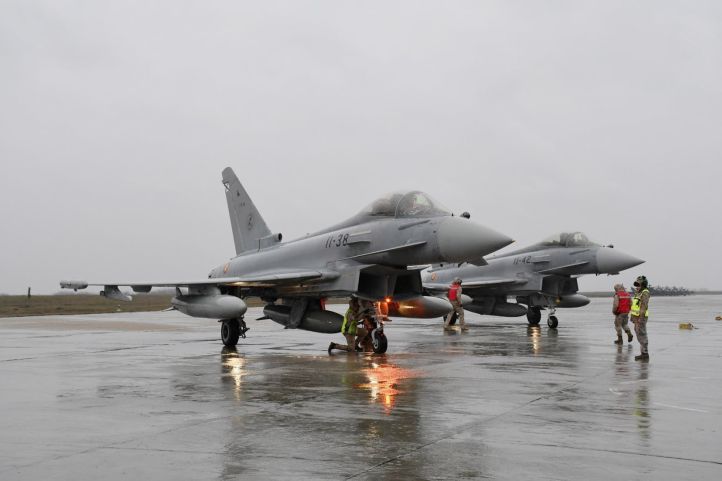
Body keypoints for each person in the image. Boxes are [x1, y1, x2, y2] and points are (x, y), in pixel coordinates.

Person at [630, 275, 651, 361]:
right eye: (636, 285)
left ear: (643, 285)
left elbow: (643, 307)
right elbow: (635, 306)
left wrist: (640, 319)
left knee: (642, 334)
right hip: (636, 318)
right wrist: (632, 317)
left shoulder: (645, 293)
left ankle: (645, 354)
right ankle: (643, 353)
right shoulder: (638, 293)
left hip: (640, 318)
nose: (637, 287)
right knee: (639, 334)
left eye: (638, 285)